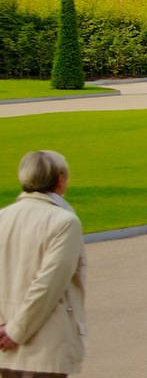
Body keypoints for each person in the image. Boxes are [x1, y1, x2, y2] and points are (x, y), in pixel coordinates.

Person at [0, 150, 86, 378]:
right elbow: (49, 284)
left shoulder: (3, 216)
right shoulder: (65, 222)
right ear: (60, 179)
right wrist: (16, 331)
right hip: (43, 343)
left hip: (6, 340)